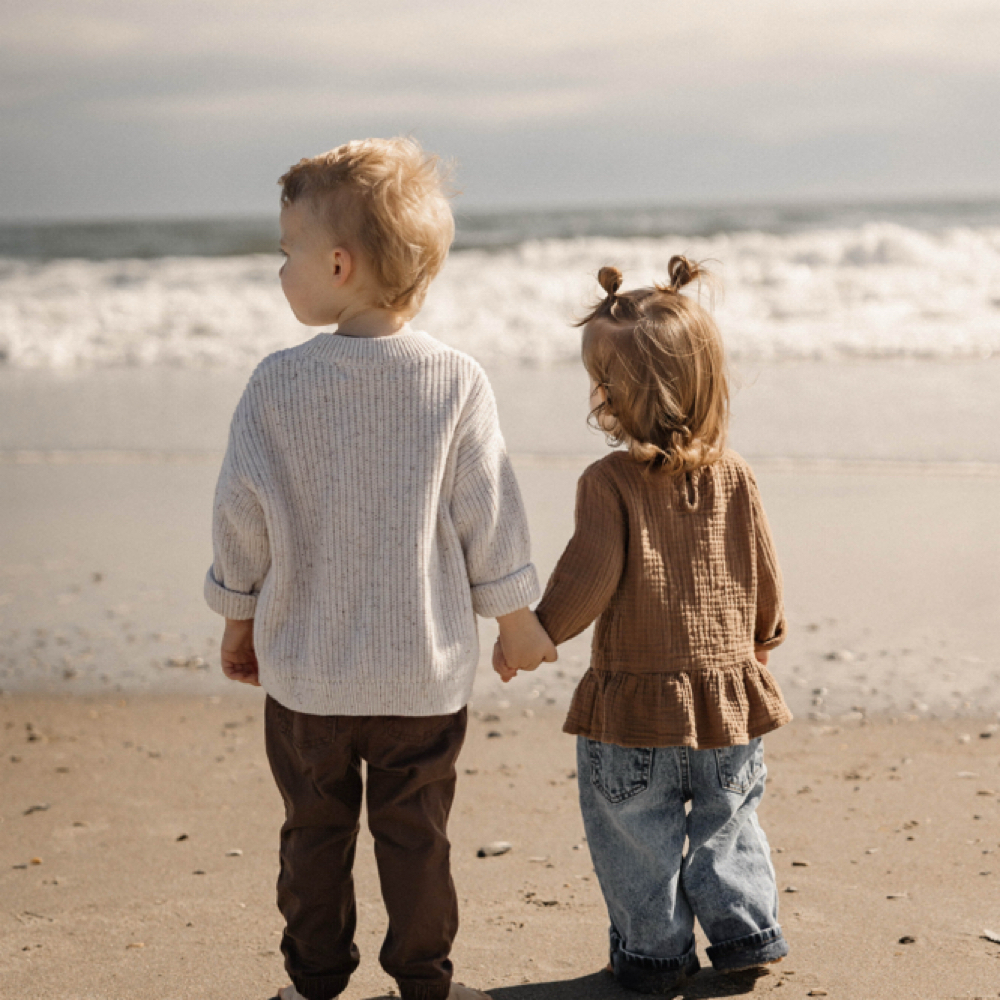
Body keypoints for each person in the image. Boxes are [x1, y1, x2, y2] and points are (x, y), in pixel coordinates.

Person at [205, 137, 556, 1000]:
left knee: (313, 835)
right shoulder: (454, 381)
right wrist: (515, 619)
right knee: (417, 838)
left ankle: (315, 983)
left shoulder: (277, 385)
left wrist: (238, 616)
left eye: (287, 253)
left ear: (337, 262)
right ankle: (425, 982)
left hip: (309, 677)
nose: (280, 270)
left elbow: (240, 518)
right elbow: (491, 512)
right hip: (421, 678)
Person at [494, 259, 792, 993]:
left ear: (615, 397)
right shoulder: (736, 476)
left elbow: (588, 574)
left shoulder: (608, 483)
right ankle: (744, 932)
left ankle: (656, 954)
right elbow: (762, 569)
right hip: (728, 697)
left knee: (636, 835)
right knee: (728, 822)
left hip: (633, 708)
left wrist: (535, 633)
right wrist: (763, 641)